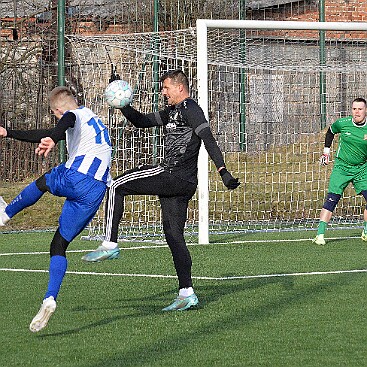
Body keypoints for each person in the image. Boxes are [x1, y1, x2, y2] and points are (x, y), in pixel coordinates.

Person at [82, 69, 240, 311]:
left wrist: (223, 172)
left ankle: (110, 244)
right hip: (182, 184)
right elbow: (141, 121)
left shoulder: (191, 109)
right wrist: (123, 102)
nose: (163, 92)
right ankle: (187, 293)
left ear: (179, 87)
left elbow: (208, 139)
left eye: (166, 88)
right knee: (174, 236)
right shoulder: (172, 112)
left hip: (172, 174)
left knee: (116, 185)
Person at [0, 86, 112, 332]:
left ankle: (5, 215)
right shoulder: (93, 118)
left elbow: (67, 120)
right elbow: (54, 130)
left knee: (45, 181)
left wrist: (54, 135)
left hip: (79, 177)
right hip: (96, 191)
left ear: (58, 111)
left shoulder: (75, 116)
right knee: (59, 244)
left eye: (55, 115)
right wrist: (9, 133)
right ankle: (49, 298)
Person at [313, 97, 367, 245]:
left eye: (360, 109)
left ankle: (366, 231)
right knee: (332, 199)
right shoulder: (343, 124)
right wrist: (326, 152)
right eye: (354, 109)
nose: (356, 112)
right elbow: (330, 132)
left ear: (365, 111)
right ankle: (320, 235)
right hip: (342, 168)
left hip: (362, 169)